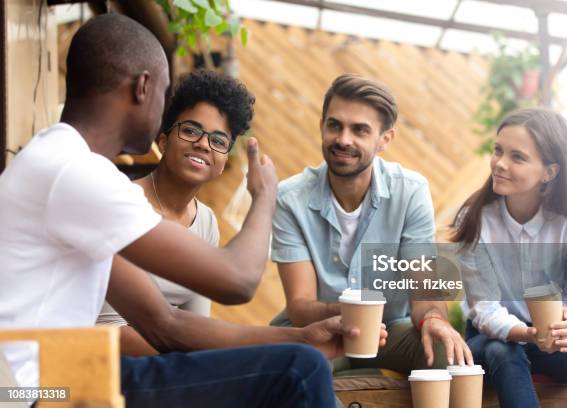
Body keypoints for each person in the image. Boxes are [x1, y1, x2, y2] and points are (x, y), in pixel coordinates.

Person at [0, 14, 387, 408]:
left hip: (50, 381)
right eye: (166, 95)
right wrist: (266, 196)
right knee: (298, 371)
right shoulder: (78, 174)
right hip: (32, 391)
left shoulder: (67, 167)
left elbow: (167, 324)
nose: (202, 144)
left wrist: (302, 336)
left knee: (296, 362)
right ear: (143, 87)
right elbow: (237, 281)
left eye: (218, 140)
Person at [271, 73, 472, 373]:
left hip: (389, 331)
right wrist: (355, 314)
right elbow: (300, 307)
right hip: (317, 330)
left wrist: (434, 319)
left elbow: (423, 291)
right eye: (335, 125)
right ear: (322, 126)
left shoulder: (410, 192)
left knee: (442, 346)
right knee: (294, 368)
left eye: (360, 130)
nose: (343, 139)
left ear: (384, 140)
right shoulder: (290, 198)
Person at [451, 107, 567, 407]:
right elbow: (485, 311)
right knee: (504, 350)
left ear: (550, 172)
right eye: (498, 150)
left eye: (517, 157)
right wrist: (526, 333)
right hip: (492, 340)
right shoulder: (474, 218)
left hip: (555, 339)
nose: (499, 163)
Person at [97, 69, 252, 356]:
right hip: (105, 364)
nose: (203, 144)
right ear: (164, 141)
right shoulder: (125, 203)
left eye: (218, 140)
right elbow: (109, 331)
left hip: (169, 363)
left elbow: (197, 323)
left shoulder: (205, 222)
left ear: (222, 161)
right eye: (191, 130)